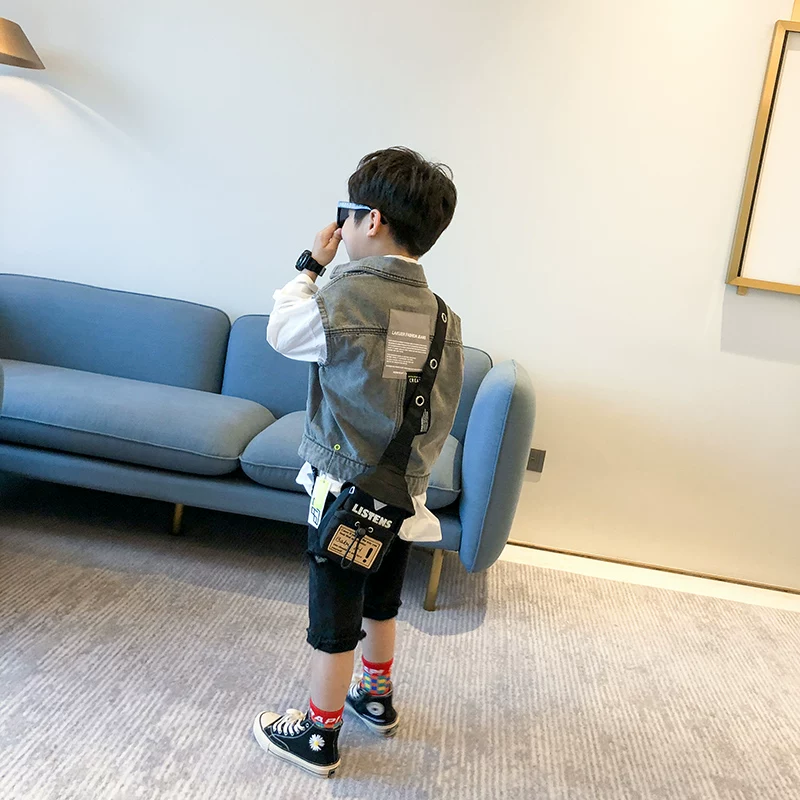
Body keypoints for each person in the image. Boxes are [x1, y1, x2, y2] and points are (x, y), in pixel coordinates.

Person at [252, 147, 464, 778]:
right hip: (402, 493)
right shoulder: (442, 315)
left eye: (345, 213)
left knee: (334, 610)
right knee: (380, 600)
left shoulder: (345, 294)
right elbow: (425, 400)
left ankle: (318, 733)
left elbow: (282, 332)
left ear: (371, 219)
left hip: (345, 490)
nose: (339, 226)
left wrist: (310, 266)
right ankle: (375, 696)